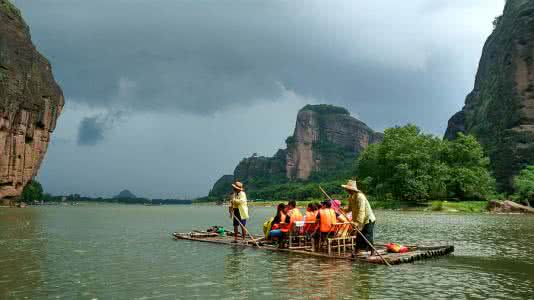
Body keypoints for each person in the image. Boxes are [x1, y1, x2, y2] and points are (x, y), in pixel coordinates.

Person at [342, 179, 376, 253]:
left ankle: (372, 252)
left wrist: (357, 222)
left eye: (347, 189)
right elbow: (350, 208)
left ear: (351, 189)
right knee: (359, 237)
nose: (346, 190)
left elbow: (361, 211)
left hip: (367, 219)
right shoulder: (351, 197)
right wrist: (343, 209)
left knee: (367, 236)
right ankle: (356, 251)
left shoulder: (360, 197)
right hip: (360, 220)